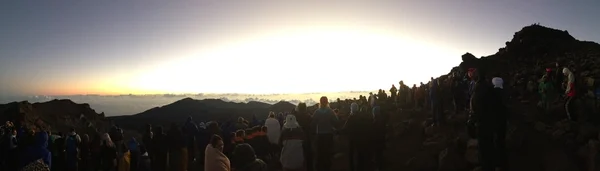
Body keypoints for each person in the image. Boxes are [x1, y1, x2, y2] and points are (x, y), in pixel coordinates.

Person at [470, 67, 496, 171]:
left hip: (482, 122)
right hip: (490, 120)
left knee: (483, 146)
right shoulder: (489, 86)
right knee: (489, 143)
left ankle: (486, 166)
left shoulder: (479, 88)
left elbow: (475, 107)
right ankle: (492, 164)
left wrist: (472, 121)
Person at [342, 102, 373, 171]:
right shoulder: (361, 116)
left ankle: (352, 168)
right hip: (360, 138)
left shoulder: (351, 117)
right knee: (359, 153)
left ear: (351, 108)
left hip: (352, 138)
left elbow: (345, 128)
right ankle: (360, 167)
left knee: (351, 154)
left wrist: (338, 131)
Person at [311, 96, 338, 171]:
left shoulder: (317, 112)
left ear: (320, 102)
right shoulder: (330, 111)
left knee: (320, 153)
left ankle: (319, 167)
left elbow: (313, 123)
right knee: (327, 153)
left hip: (319, 135)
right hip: (329, 134)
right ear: (327, 102)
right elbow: (336, 122)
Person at [491, 77, 508, 171]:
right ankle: (503, 162)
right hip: (502, 121)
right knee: (501, 140)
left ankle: (498, 163)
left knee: (496, 141)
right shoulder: (504, 93)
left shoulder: (491, 95)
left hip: (494, 121)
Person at [294, 102, 313, 171]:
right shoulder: (309, 117)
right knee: (308, 157)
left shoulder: (295, 118)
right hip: (307, 139)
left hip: (297, 140)